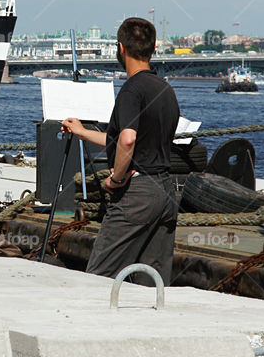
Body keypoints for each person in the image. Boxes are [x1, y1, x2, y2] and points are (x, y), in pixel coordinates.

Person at [62, 17, 179, 284]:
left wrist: (116, 179)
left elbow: (127, 140)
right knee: (152, 282)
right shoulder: (166, 91)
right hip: (165, 193)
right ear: (152, 49)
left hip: (135, 195)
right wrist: (82, 131)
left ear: (121, 48)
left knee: (100, 277)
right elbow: (130, 142)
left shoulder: (132, 89)